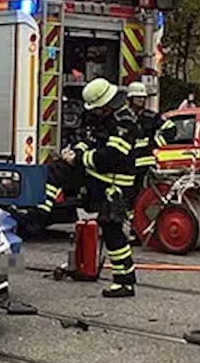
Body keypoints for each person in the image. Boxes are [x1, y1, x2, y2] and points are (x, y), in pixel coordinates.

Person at [35, 78, 140, 297]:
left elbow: (112, 156)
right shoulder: (104, 118)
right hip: (99, 178)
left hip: (114, 184)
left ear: (106, 102)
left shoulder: (124, 123)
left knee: (112, 230)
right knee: (58, 168)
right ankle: (42, 210)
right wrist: (74, 151)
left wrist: (80, 158)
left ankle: (125, 282)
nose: (96, 111)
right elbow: (90, 140)